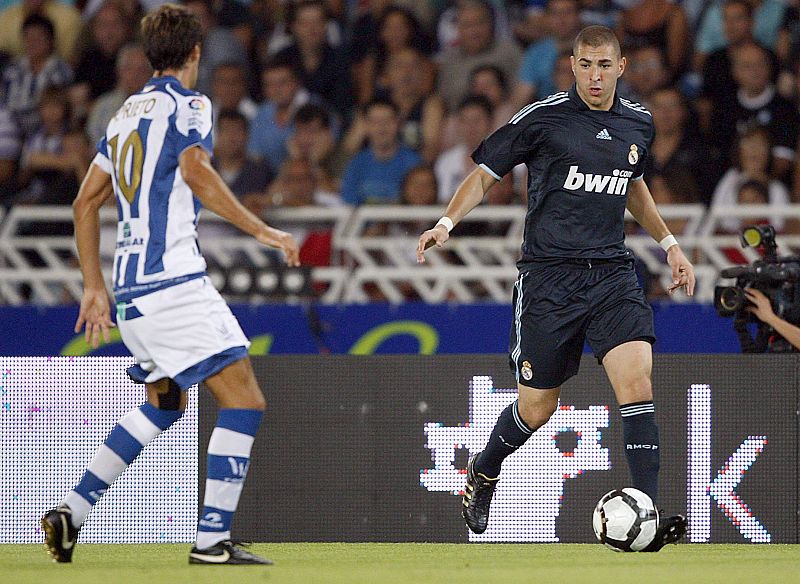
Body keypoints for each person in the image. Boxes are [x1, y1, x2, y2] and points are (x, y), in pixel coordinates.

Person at [416, 25, 693, 551]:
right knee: (538, 407)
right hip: (548, 279)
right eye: (584, 65)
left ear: (621, 68)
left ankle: (649, 514)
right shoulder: (543, 117)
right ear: (572, 66)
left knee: (636, 383)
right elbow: (483, 174)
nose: (594, 75)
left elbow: (633, 184)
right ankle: (484, 468)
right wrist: (446, 223)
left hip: (612, 273)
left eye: (603, 65)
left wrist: (670, 243)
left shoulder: (638, 123)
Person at [40, 4, 299, 566]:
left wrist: (92, 285)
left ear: (147, 55)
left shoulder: (122, 115)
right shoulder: (191, 104)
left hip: (131, 290)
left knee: (165, 400)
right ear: (196, 54)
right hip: (174, 284)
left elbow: (85, 201)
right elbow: (197, 170)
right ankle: (211, 542)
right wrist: (261, 229)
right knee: (245, 400)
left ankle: (73, 509)